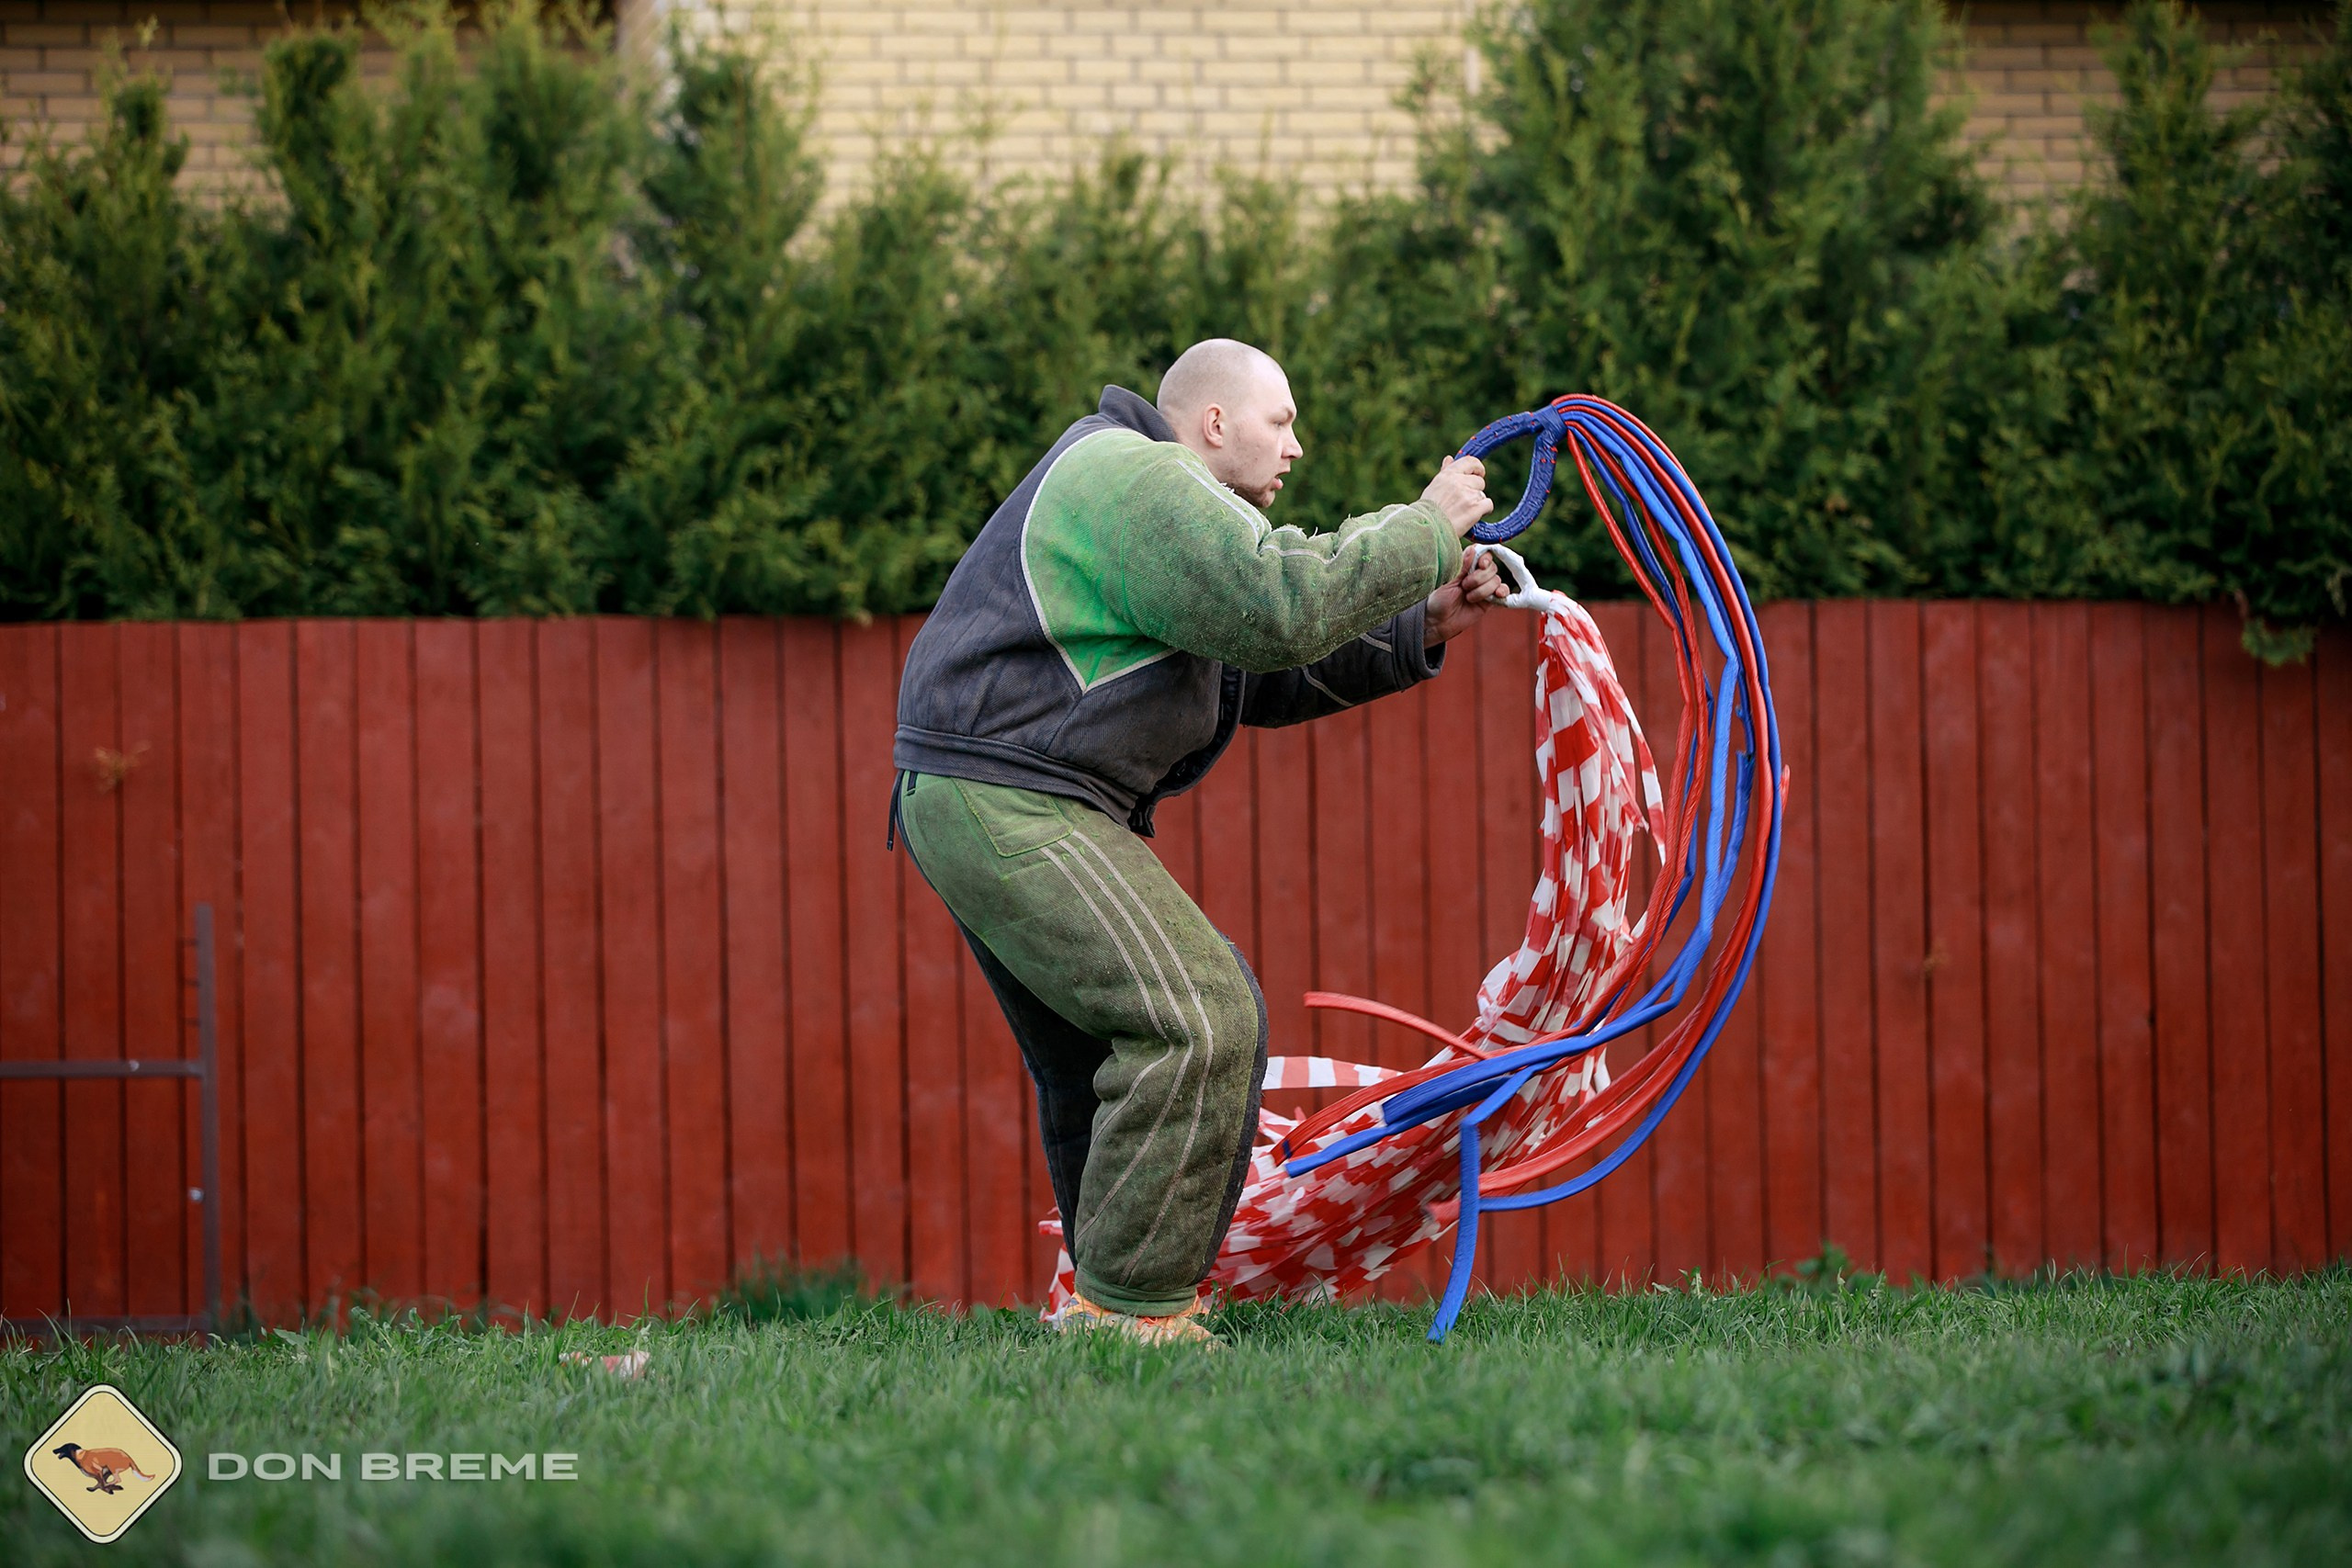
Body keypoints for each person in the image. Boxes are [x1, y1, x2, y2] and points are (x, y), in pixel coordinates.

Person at [891, 339, 1504, 1345]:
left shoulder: (1155, 507)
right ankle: (1132, 1316)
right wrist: (1425, 529)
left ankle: (1104, 1314)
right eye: (1282, 420)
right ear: (1212, 422)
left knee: (1116, 1051)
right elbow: (1279, 608)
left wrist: (1420, 626)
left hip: (996, 794)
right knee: (1200, 1019)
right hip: (1009, 797)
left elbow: (1253, 671)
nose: (1296, 446)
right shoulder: (1136, 474)